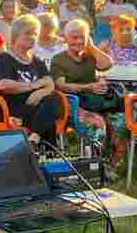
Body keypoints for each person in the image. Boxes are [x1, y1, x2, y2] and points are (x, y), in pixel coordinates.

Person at [50, 19, 123, 161]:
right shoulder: (58, 59)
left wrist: (91, 46)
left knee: (119, 122)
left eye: (82, 37)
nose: (78, 41)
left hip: (95, 101)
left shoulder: (90, 56)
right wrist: (89, 86)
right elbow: (61, 86)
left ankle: (113, 162)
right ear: (66, 38)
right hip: (72, 104)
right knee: (97, 124)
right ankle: (93, 164)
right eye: (74, 37)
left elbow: (108, 64)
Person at [0, 14, 64, 143]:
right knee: (49, 113)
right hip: (14, 109)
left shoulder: (37, 61)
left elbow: (50, 84)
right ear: (16, 34)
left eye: (35, 34)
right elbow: (4, 85)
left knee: (52, 99)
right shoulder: (4, 58)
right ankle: (47, 154)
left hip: (36, 107)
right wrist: (33, 86)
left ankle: (34, 138)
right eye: (28, 33)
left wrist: (39, 93)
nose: (32, 37)